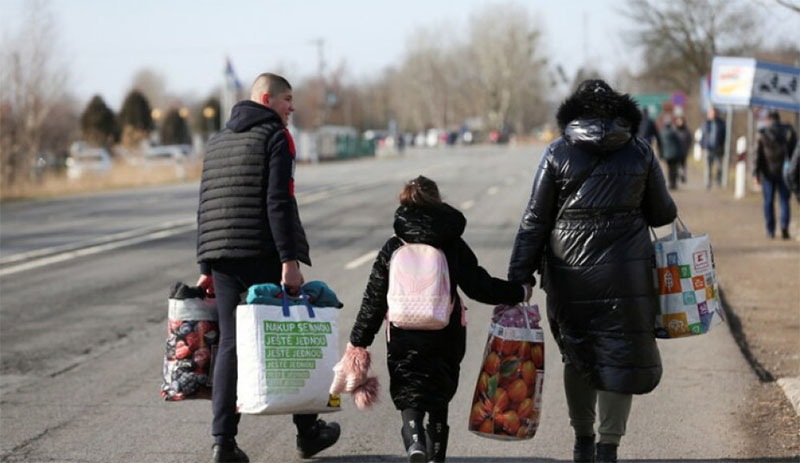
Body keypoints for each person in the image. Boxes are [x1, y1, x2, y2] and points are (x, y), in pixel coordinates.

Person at [507, 79, 677, 463]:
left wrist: (520, 277)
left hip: (570, 274)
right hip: (627, 272)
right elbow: (663, 213)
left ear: (574, 113)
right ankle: (608, 447)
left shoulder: (557, 152)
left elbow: (535, 220)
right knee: (620, 353)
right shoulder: (639, 151)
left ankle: (582, 441)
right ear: (621, 111)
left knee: (578, 353)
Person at [195, 73, 340, 463]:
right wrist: (289, 262)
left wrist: (207, 263)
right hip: (260, 250)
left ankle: (222, 442)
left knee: (229, 343)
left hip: (222, 254)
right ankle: (308, 432)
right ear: (265, 98)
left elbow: (207, 202)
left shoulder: (218, 140)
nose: (291, 107)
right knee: (292, 332)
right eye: (287, 99)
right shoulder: (276, 137)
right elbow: (279, 202)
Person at [344, 176, 530, 463]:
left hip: (403, 331)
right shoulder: (452, 244)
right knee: (439, 390)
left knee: (409, 389)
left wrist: (359, 342)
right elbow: (479, 285)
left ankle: (414, 438)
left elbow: (374, 298)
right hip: (446, 331)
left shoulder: (393, 247)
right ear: (437, 201)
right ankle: (436, 455)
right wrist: (518, 291)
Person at [752, 111, 798, 239]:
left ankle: (770, 230)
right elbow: (795, 154)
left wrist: (755, 173)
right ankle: (784, 227)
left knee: (768, 202)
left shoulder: (762, 133)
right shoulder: (788, 132)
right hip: (785, 172)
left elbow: (757, 155)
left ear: (768, 120)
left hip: (767, 173)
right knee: (784, 201)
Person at [700, 107, 726, 189]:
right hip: (708, 147)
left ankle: (719, 181)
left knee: (719, 166)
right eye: (711, 113)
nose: (712, 115)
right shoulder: (705, 124)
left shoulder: (721, 124)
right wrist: (702, 146)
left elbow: (725, 136)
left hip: (718, 148)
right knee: (708, 166)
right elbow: (702, 136)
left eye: (714, 113)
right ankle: (708, 182)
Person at [659, 117, 685, 189]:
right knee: (674, 169)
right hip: (674, 154)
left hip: (666, 155)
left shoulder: (662, 133)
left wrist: (661, 154)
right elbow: (678, 143)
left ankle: (670, 183)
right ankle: (673, 183)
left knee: (669, 169)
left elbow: (660, 145)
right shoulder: (673, 133)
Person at [673, 116, 692, 183]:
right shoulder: (674, 130)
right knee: (676, 165)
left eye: (681, 121)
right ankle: (677, 176)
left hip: (684, 151)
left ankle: (683, 175)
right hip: (676, 151)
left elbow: (690, 140)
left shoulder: (687, 131)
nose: (680, 123)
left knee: (683, 165)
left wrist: (688, 148)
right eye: (678, 121)